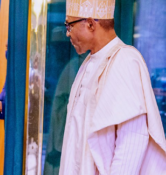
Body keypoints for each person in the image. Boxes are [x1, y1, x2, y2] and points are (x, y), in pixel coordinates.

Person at [60, 0, 166, 174]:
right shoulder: (88, 63)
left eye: (69, 26)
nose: (67, 33)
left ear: (91, 24)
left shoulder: (125, 60)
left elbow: (132, 140)